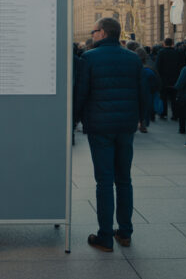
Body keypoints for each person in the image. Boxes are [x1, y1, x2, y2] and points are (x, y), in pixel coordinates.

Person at [74, 18, 144, 252]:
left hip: (100, 126)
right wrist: (141, 118)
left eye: (93, 31)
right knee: (124, 179)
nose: (92, 35)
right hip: (125, 126)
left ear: (102, 32)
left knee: (104, 181)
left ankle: (104, 236)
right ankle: (125, 232)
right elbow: (142, 91)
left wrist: (74, 120)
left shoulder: (89, 58)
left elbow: (81, 93)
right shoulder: (133, 58)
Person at [155, 38, 182, 125]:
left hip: (164, 79)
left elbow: (158, 66)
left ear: (164, 44)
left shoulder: (161, 52)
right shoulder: (177, 52)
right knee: (174, 97)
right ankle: (175, 114)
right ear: (172, 43)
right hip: (175, 78)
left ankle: (163, 113)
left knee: (163, 97)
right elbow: (180, 65)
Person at [135, 47, 159, 134]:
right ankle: (143, 123)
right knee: (146, 108)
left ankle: (137, 123)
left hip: (136, 92)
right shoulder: (149, 69)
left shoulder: (134, 69)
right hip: (147, 93)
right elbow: (154, 83)